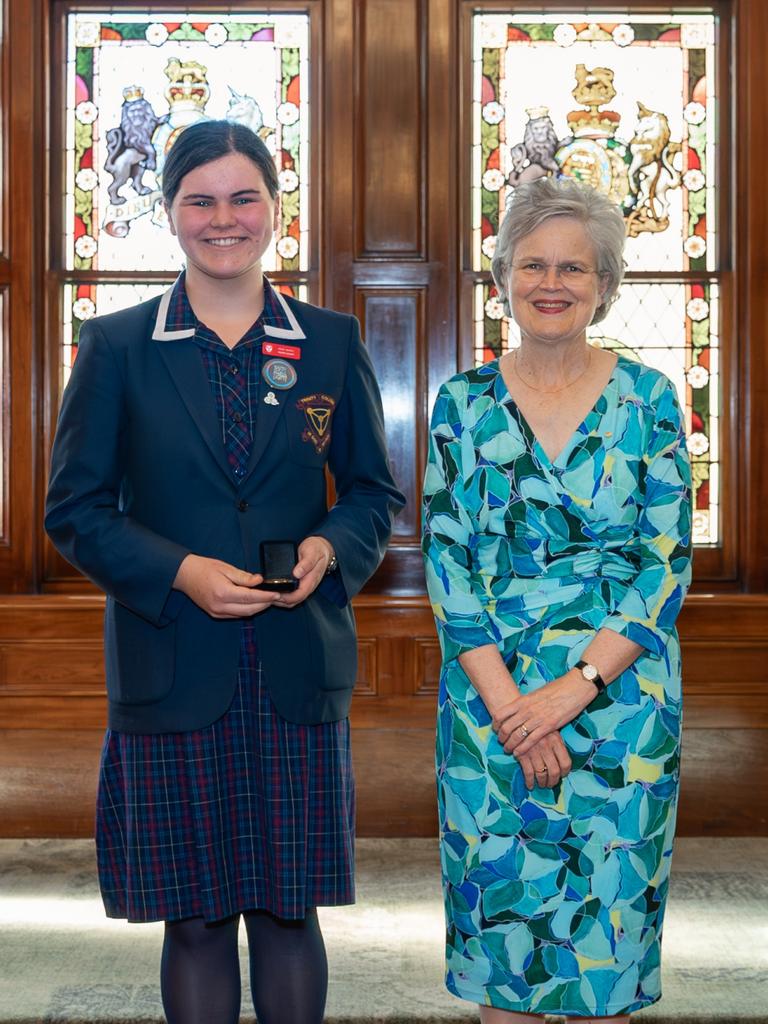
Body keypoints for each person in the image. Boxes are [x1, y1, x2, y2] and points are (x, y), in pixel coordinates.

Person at [45, 119, 405, 1024]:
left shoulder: (328, 339)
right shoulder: (118, 345)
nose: (223, 219)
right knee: (196, 921)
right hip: (174, 662)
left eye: (244, 198)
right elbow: (74, 510)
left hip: (295, 664)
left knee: (290, 912)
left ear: (276, 211)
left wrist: (332, 549)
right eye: (200, 200)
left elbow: (371, 491)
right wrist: (180, 573)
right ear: (170, 213)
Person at [422, 176, 692, 1023]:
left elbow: (663, 563)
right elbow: (447, 563)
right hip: (487, 698)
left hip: (620, 707)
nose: (551, 283)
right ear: (501, 278)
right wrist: (513, 709)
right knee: (503, 942)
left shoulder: (649, 400)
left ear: (605, 285)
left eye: (574, 268)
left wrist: (569, 693)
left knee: (600, 955)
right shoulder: (461, 404)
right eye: (531, 264)